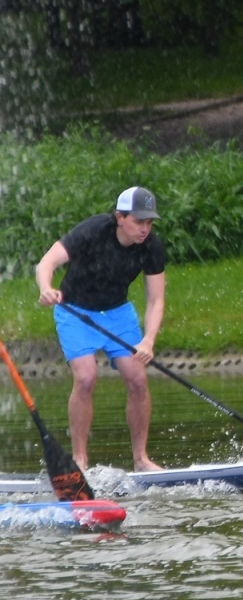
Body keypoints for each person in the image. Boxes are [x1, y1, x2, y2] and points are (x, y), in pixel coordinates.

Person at [35, 186, 167, 472]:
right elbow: (47, 262)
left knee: (137, 380)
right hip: (75, 311)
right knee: (85, 378)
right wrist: (46, 288)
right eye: (138, 221)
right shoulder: (94, 230)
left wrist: (148, 340)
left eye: (149, 222)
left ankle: (141, 459)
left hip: (117, 314)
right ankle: (80, 460)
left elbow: (156, 300)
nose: (145, 229)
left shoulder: (152, 246)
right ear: (120, 217)